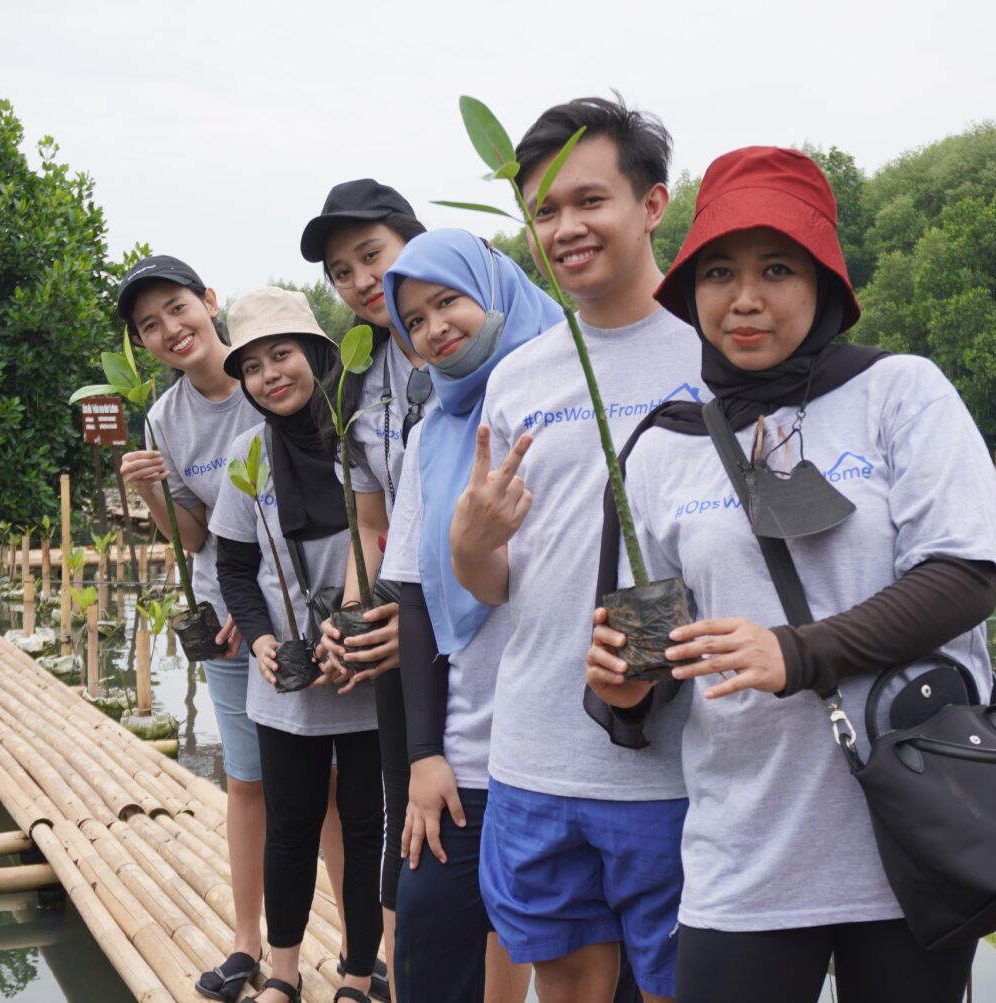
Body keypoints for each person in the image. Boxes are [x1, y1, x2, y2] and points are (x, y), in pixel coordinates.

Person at [584, 147, 996, 1002]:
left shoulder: (901, 393)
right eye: (718, 272)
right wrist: (625, 691)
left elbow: (964, 575)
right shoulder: (661, 447)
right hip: (744, 853)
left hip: (915, 840)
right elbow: (649, 663)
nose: (744, 298)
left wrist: (797, 650)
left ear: (823, 281)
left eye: (777, 268)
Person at [449, 96, 701, 1003]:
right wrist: (469, 546)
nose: (565, 228)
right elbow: (495, 582)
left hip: (683, 767)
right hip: (535, 758)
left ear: (653, 203)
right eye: (543, 212)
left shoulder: (716, 358)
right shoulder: (520, 374)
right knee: (566, 984)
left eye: (588, 200)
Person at [376, 229, 556, 1002]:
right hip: (468, 755)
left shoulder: (573, 402)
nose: (433, 327)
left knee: (586, 967)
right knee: (429, 949)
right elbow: (413, 599)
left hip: (576, 750)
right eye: (413, 319)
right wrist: (424, 754)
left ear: (496, 287)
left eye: (447, 300)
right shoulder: (430, 436)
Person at [212, 287, 383, 1003]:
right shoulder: (249, 453)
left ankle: (355, 971)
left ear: (317, 353)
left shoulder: (363, 435)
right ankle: (281, 972)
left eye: (282, 354)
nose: (269, 374)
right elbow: (232, 567)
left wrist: (360, 624)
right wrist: (257, 641)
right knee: (290, 827)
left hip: (368, 670)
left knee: (369, 827)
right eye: (251, 366)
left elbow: (391, 538)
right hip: (286, 680)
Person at [113, 255, 264, 1002]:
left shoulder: (273, 378)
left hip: (289, 615)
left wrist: (259, 608)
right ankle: (247, 943)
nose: (170, 328)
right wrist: (147, 494)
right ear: (143, 345)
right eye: (150, 325)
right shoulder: (163, 417)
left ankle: (368, 948)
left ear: (210, 301)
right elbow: (197, 536)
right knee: (247, 782)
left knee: (331, 785)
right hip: (224, 625)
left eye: (178, 308)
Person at [300, 179, 431, 996]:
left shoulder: (471, 343)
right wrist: (353, 612)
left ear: (412, 242)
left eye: (371, 257)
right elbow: (368, 524)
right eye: (342, 272)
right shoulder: (356, 374)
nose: (358, 283)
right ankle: (395, 965)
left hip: (476, 622)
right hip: (398, 625)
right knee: (397, 805)